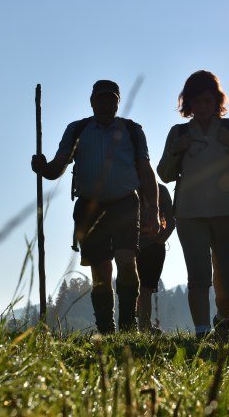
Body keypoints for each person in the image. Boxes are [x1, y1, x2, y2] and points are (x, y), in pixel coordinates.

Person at [31, 80, 160, 334]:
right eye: (101, 99)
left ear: (118, 102)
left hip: (125, 203)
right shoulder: (77, 130)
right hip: (89, 206)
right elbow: (59, 167)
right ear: (92, 101)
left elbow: (146, 172)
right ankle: (106, 328)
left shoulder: (133, 131)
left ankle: (127, 326)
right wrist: (43, 168)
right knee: (100, 270)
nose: (106, 104)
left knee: (126, 261)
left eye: (111, 99)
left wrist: (154, 210)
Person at [157, 70, 229, 342]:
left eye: (207, 101)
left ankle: (221, 321)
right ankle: (202, 333)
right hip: (190, 214)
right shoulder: (178, 133)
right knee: (198, 277)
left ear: (217, 102)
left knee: (228, 285)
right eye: (196, 102)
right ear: (187, 104)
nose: (202, 107)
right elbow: (165, 174)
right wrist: (176, 149)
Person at [136, 183, 176, 333]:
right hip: (148, 245)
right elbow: (171, 223)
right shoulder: (161, 190)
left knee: (142, 288)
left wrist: (158, 242)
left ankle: (142, 326)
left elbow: (171, 223)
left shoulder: (128, 187)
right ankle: (143, 326)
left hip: (147, 246)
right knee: (145, 289)